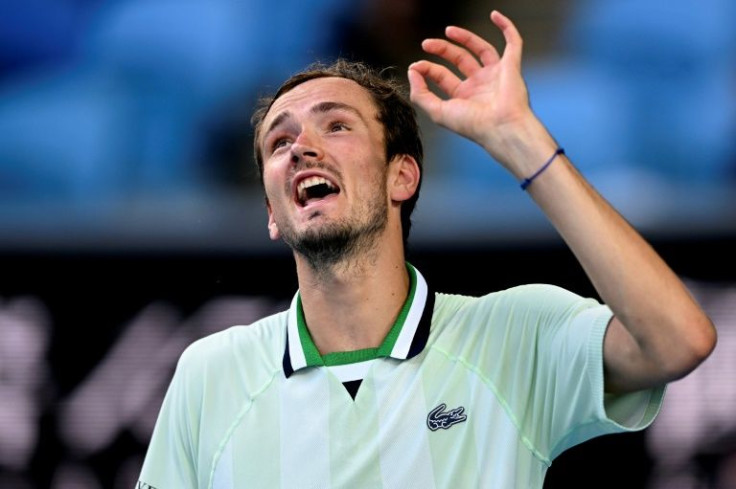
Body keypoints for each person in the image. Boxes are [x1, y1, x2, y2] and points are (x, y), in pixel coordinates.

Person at [136, 10, 716, 488]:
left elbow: (678, 341)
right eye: (279, 140)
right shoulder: (206, 375)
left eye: (335, 125)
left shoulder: (514, 334)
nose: (301, 148)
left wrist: (520, 140)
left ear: (402, 177)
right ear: (271, 213)